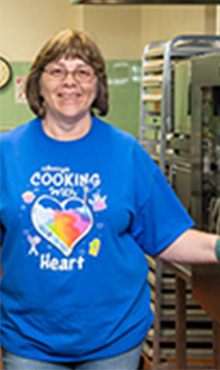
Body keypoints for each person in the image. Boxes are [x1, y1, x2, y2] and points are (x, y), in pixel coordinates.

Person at [0, 28, 219, 370]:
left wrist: (217, 247)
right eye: (57, 71)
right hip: (29, 340)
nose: (70, 81)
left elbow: (167, 235)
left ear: (98, 85)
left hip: (112, 340)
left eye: (83, 71)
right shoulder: (6, 153)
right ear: (37, 83)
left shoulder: (127, 152)